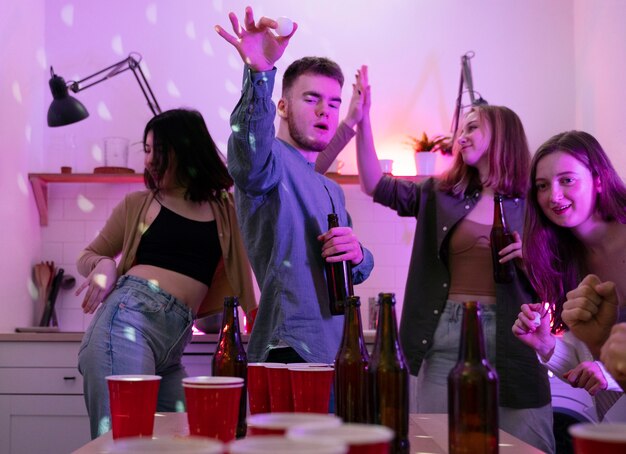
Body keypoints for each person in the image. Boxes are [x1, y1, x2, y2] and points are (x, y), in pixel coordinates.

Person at [355, 80, 554, 452]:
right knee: (436, 444)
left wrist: (533, 257)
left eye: (473, 127)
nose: (461, 136)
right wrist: (363, 120)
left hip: (518, 337)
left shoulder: (538, 202)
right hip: (446, 332)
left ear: (503, 134)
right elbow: (372, 183)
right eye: (461, 129)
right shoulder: (439, 194)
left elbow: (564, 278)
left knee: (528, 444)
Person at [76, 109, 256, 439]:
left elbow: (232, 282)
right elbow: (88, 255)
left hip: (173, 344)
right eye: (145, 151)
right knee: (126, 443)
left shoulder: (226, 209)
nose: (148, 161)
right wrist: (103, 265)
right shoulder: (137, 204)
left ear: (184, 148)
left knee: (189, 440)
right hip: (126, 325)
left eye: (154, 150)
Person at [214, 7, 373, 366]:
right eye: (311, 98)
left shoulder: (330, 188)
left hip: (340, 351)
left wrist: (359, 253)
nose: (325, 111)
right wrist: (259, 73)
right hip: (290, 351)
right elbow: (250, 148)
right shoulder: (268, 163)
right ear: (281, 106)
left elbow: (356, 269)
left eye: (333, 103)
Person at [514, 130, 626, 418]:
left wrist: (609, 373)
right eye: (541, 185)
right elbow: (587, 368)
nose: (553, 195)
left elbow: (607, 370)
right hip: (612, 424)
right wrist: (546, 345)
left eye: (567, 180)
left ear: (598, 180)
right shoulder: (561, 261)